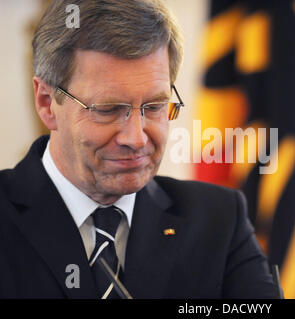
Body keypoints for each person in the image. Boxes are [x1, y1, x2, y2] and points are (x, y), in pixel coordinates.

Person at [0, 0, 278, 299]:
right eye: (108, 109)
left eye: (155, 106)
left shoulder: (220, 220)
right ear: (46, 102)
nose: (136, 138)